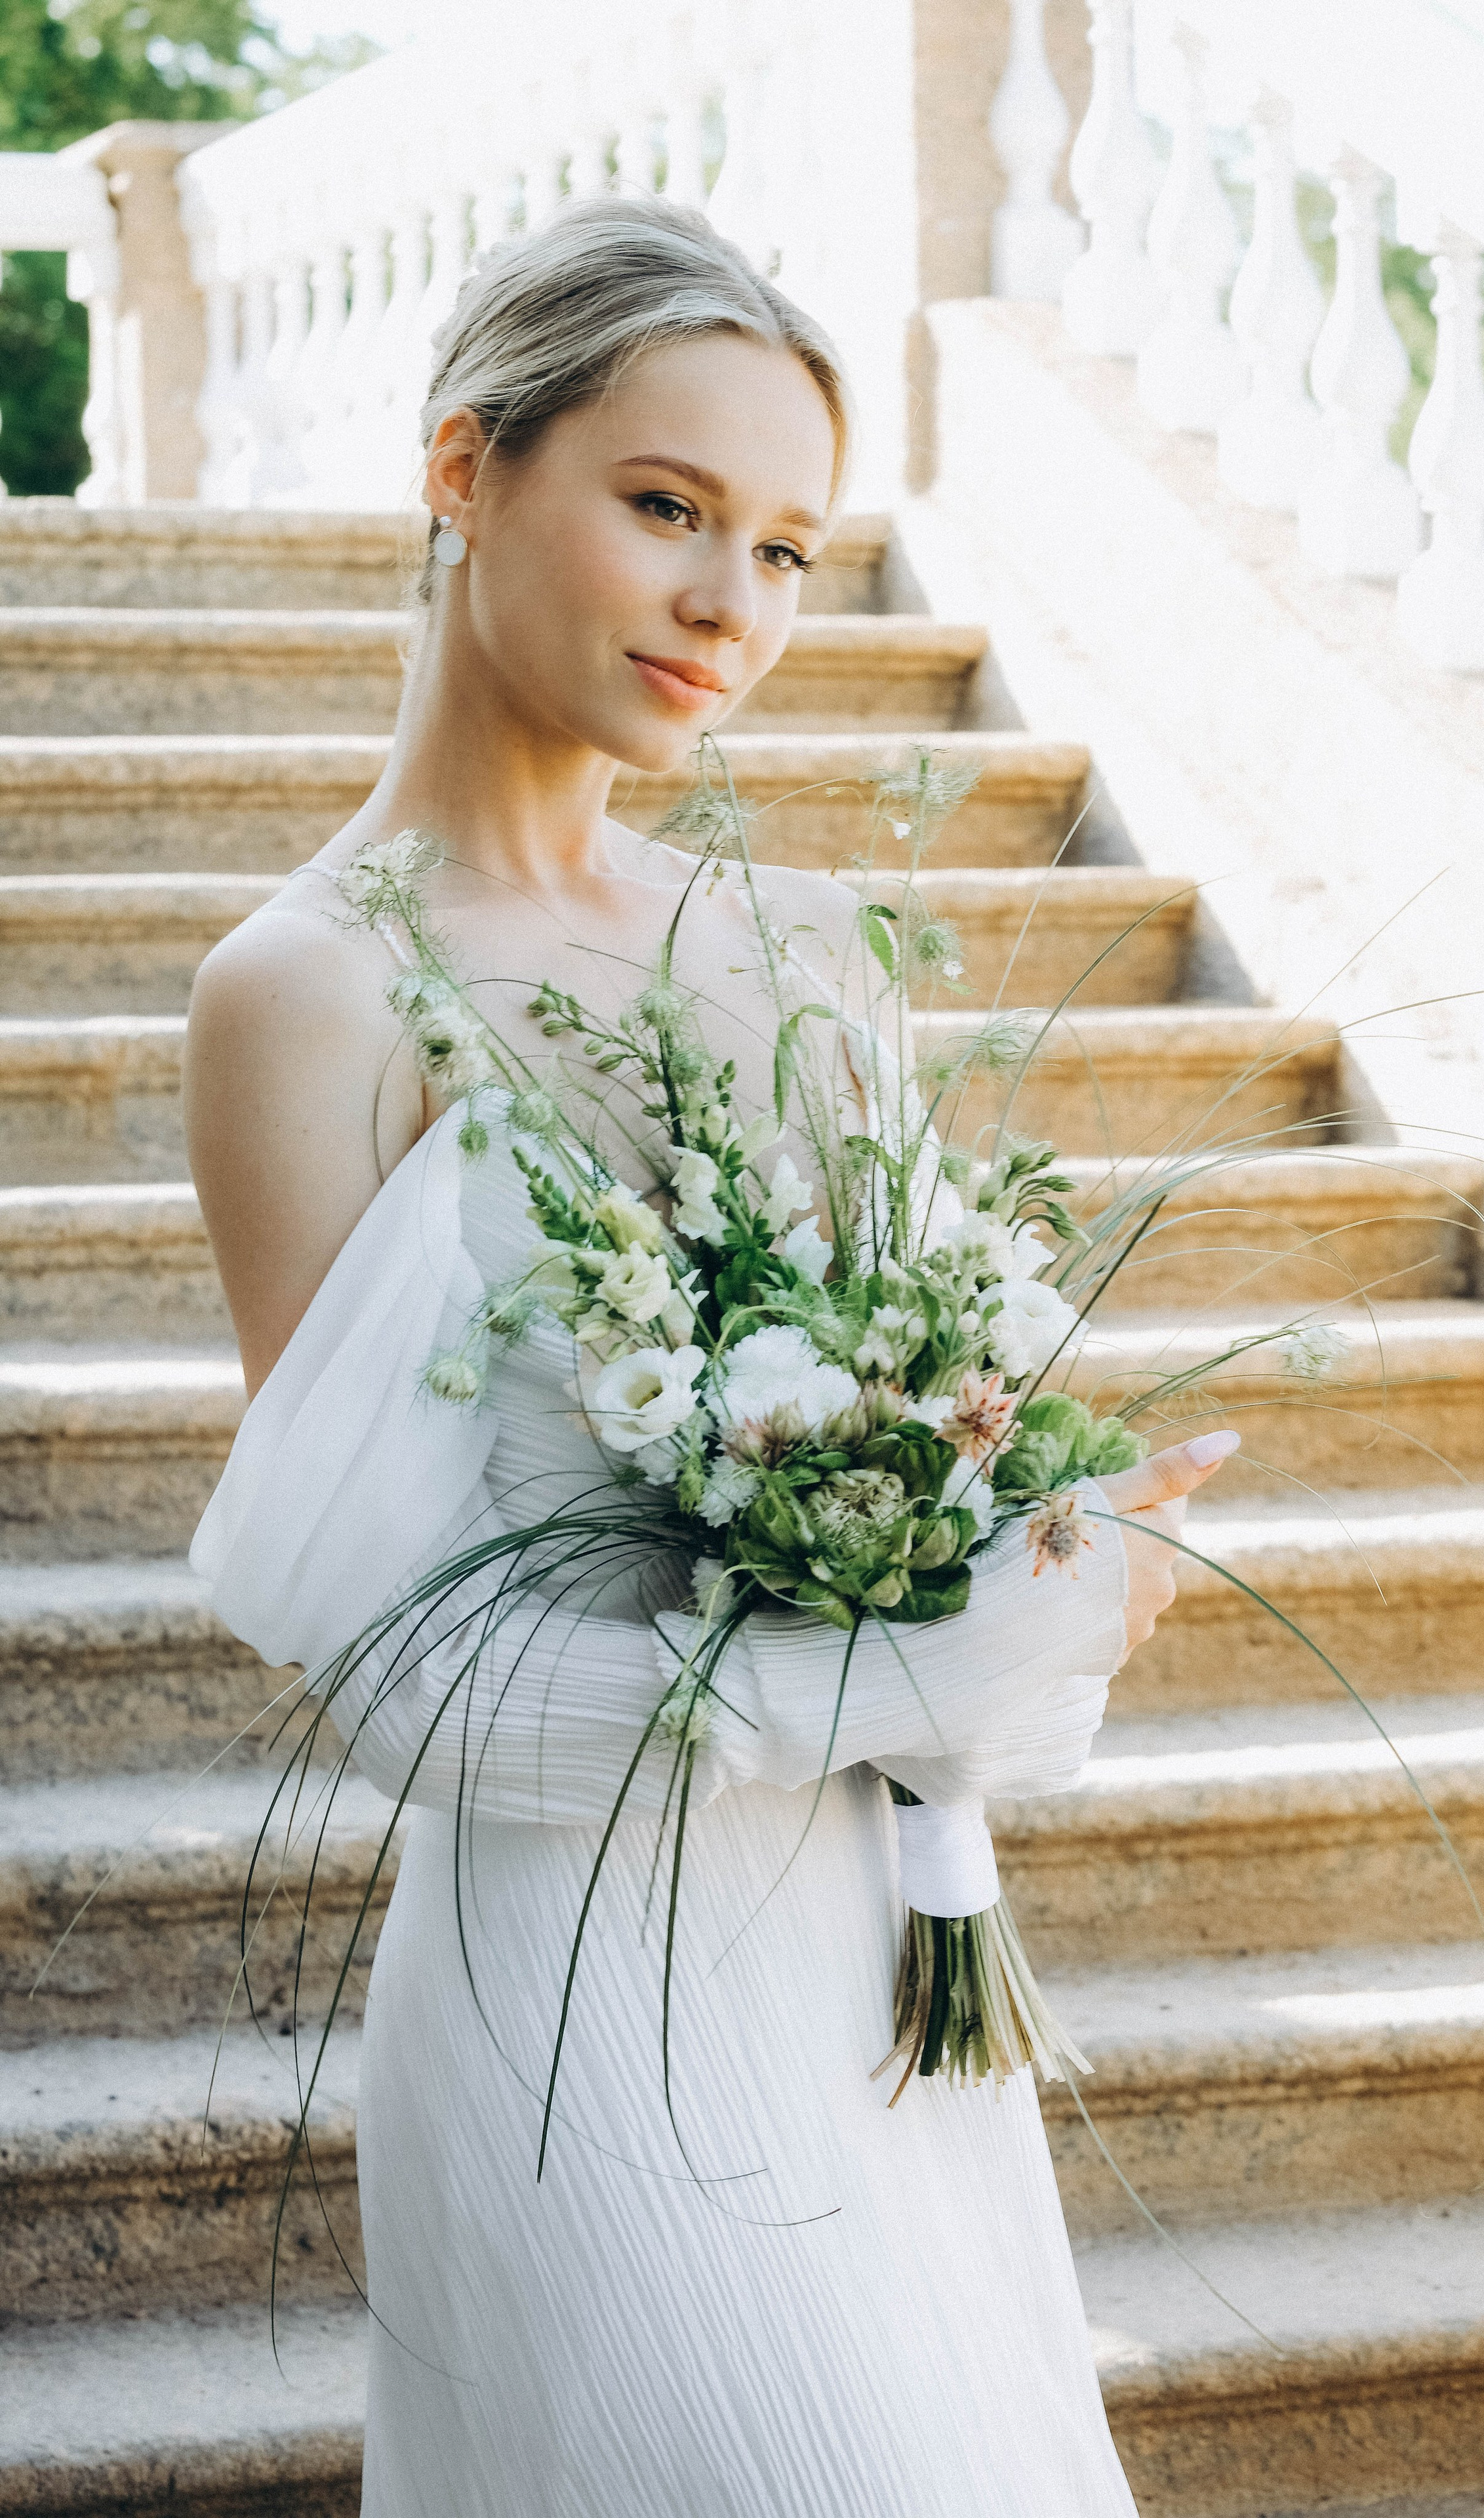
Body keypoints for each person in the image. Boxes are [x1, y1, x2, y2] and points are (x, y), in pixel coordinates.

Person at [185, 195, 1239, 2517]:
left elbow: (973, 1428)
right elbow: (405, 1672)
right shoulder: (308, 994)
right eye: (667, 509)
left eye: (782, 547)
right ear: (465, 469)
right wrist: (892, 1678)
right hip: (595, 1995)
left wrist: (1058, 1552)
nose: (729, 609)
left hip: (889, 1955)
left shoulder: (795, 946)